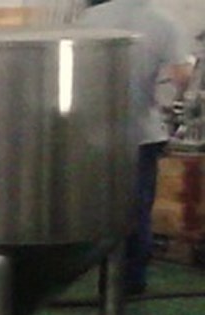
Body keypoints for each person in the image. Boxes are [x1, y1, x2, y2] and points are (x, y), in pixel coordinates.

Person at [79, 0, 193, 294]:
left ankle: (100, 269)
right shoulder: (163, 21)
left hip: (93, 135)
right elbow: (182, 76)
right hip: (140, 133)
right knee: (137, 208)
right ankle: (129, 280)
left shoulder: (89, 19)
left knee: (99, 206)